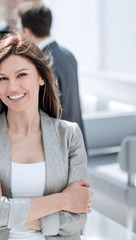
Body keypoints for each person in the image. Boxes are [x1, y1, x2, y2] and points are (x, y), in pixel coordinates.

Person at [0, 34, 93, 239]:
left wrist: (4, 203)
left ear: (40, 77)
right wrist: (62, 201)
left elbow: (76, 219)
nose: (12, 87)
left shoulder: (69, 134)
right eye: (3, 78)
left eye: (22, 75)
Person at [16, 2, 86, 141]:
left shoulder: (41, 63)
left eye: (19, 28)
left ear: (27, 31)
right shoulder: (68, 55)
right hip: (76, 139)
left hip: (56, 144)